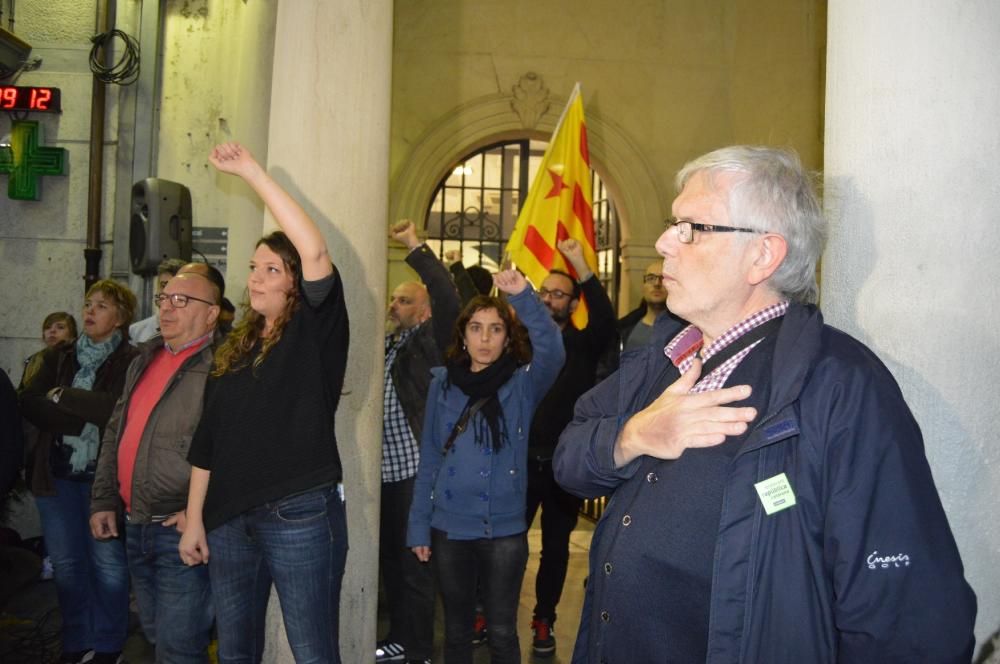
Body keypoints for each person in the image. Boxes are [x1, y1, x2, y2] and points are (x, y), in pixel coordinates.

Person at [553, 145, 977, 663]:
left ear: (763, 255)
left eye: (691, 227)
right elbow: (569, 460)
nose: (664, 241)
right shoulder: (667, 357)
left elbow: (907, 618)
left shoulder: (841, 386)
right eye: (672, 224)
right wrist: (632, 436)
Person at [178, 142, 350, 663]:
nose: (255, 277)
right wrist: (193, 518)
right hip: (229, 518)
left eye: (272, 269)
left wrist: (252, 173)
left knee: (313, 652)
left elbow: (316, 252)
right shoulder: (234, 346)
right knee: (234, 653)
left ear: (297, 280)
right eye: (254, 267)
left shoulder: (314, 330)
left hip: (297, 511)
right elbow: (207, 440)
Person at [407, 269, 565, 664]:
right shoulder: (442, 384)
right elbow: (429, 458)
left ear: (507, 338)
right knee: (457, 632)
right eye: (476, 328)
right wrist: (418, 525)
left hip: (504, 529)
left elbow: (554, 351)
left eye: (495, 330)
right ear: (463, 335)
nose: (484, 338)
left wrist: (524, 297)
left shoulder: (521, 385)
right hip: (449, 526)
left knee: (500, 631)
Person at [90, 270, 223, 663]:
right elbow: (116, 430)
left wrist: (199, 513)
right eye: (164, 299)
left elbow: (232, 451)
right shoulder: (144, 358)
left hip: (179, 529)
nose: (168, 307)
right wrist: (103, 499)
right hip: (136, 523)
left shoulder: (222, 367)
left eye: (182, 300)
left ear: (212, 313)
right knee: (154, 635)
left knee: (178, 648)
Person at [20, 280, 138, 664]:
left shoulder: (131, 360)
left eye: (101, 306)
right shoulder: (56, 357)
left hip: (101, 479)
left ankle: (108, 643)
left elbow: (115, 410)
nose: (89, 311)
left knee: (107, 563)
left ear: (120, 318)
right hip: (54, 475)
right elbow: (31, 404)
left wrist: (65, 396)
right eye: (88, 303)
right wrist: (76, 416)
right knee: (67, 565)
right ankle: (76, 638)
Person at [524, 238, 616, 657]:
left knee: (556, 548)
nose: (547, 299)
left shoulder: (584, 343)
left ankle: (545, 618)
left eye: (557, 294)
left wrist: (579, 263)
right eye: (543, 291)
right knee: (506, 542)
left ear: (573, 302)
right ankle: (486, 611)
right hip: (521, 463)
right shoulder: (521, 344)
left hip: (562, 465)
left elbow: (607, 323)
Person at [378, 220, 460, 664]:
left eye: (404, 300)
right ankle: (399, 636)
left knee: (415, 565)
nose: (394, 305)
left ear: (425, 310)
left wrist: (415, 246)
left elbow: (448, 296)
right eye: (393, 298)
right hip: (386, 470)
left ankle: (421, 650)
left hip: (415, 468)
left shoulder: (433, 340)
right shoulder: (392, 342)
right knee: (391, 559)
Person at [616, 261, 685, 352]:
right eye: (651, 278)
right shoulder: (624, 329)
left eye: (663, 278)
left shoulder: (685, 331)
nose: (657, 284)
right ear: (643, 287)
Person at [129, 258, 187, 343]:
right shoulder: (136, 331)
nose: (167, 292)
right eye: (163, 285)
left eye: (175, 287)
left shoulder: (191, 330)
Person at [20, 311, 78, 388]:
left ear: (72, 334)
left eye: (60, 327)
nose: (52, 331)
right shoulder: (34, 359)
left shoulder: (75, 357)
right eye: (47, 327)